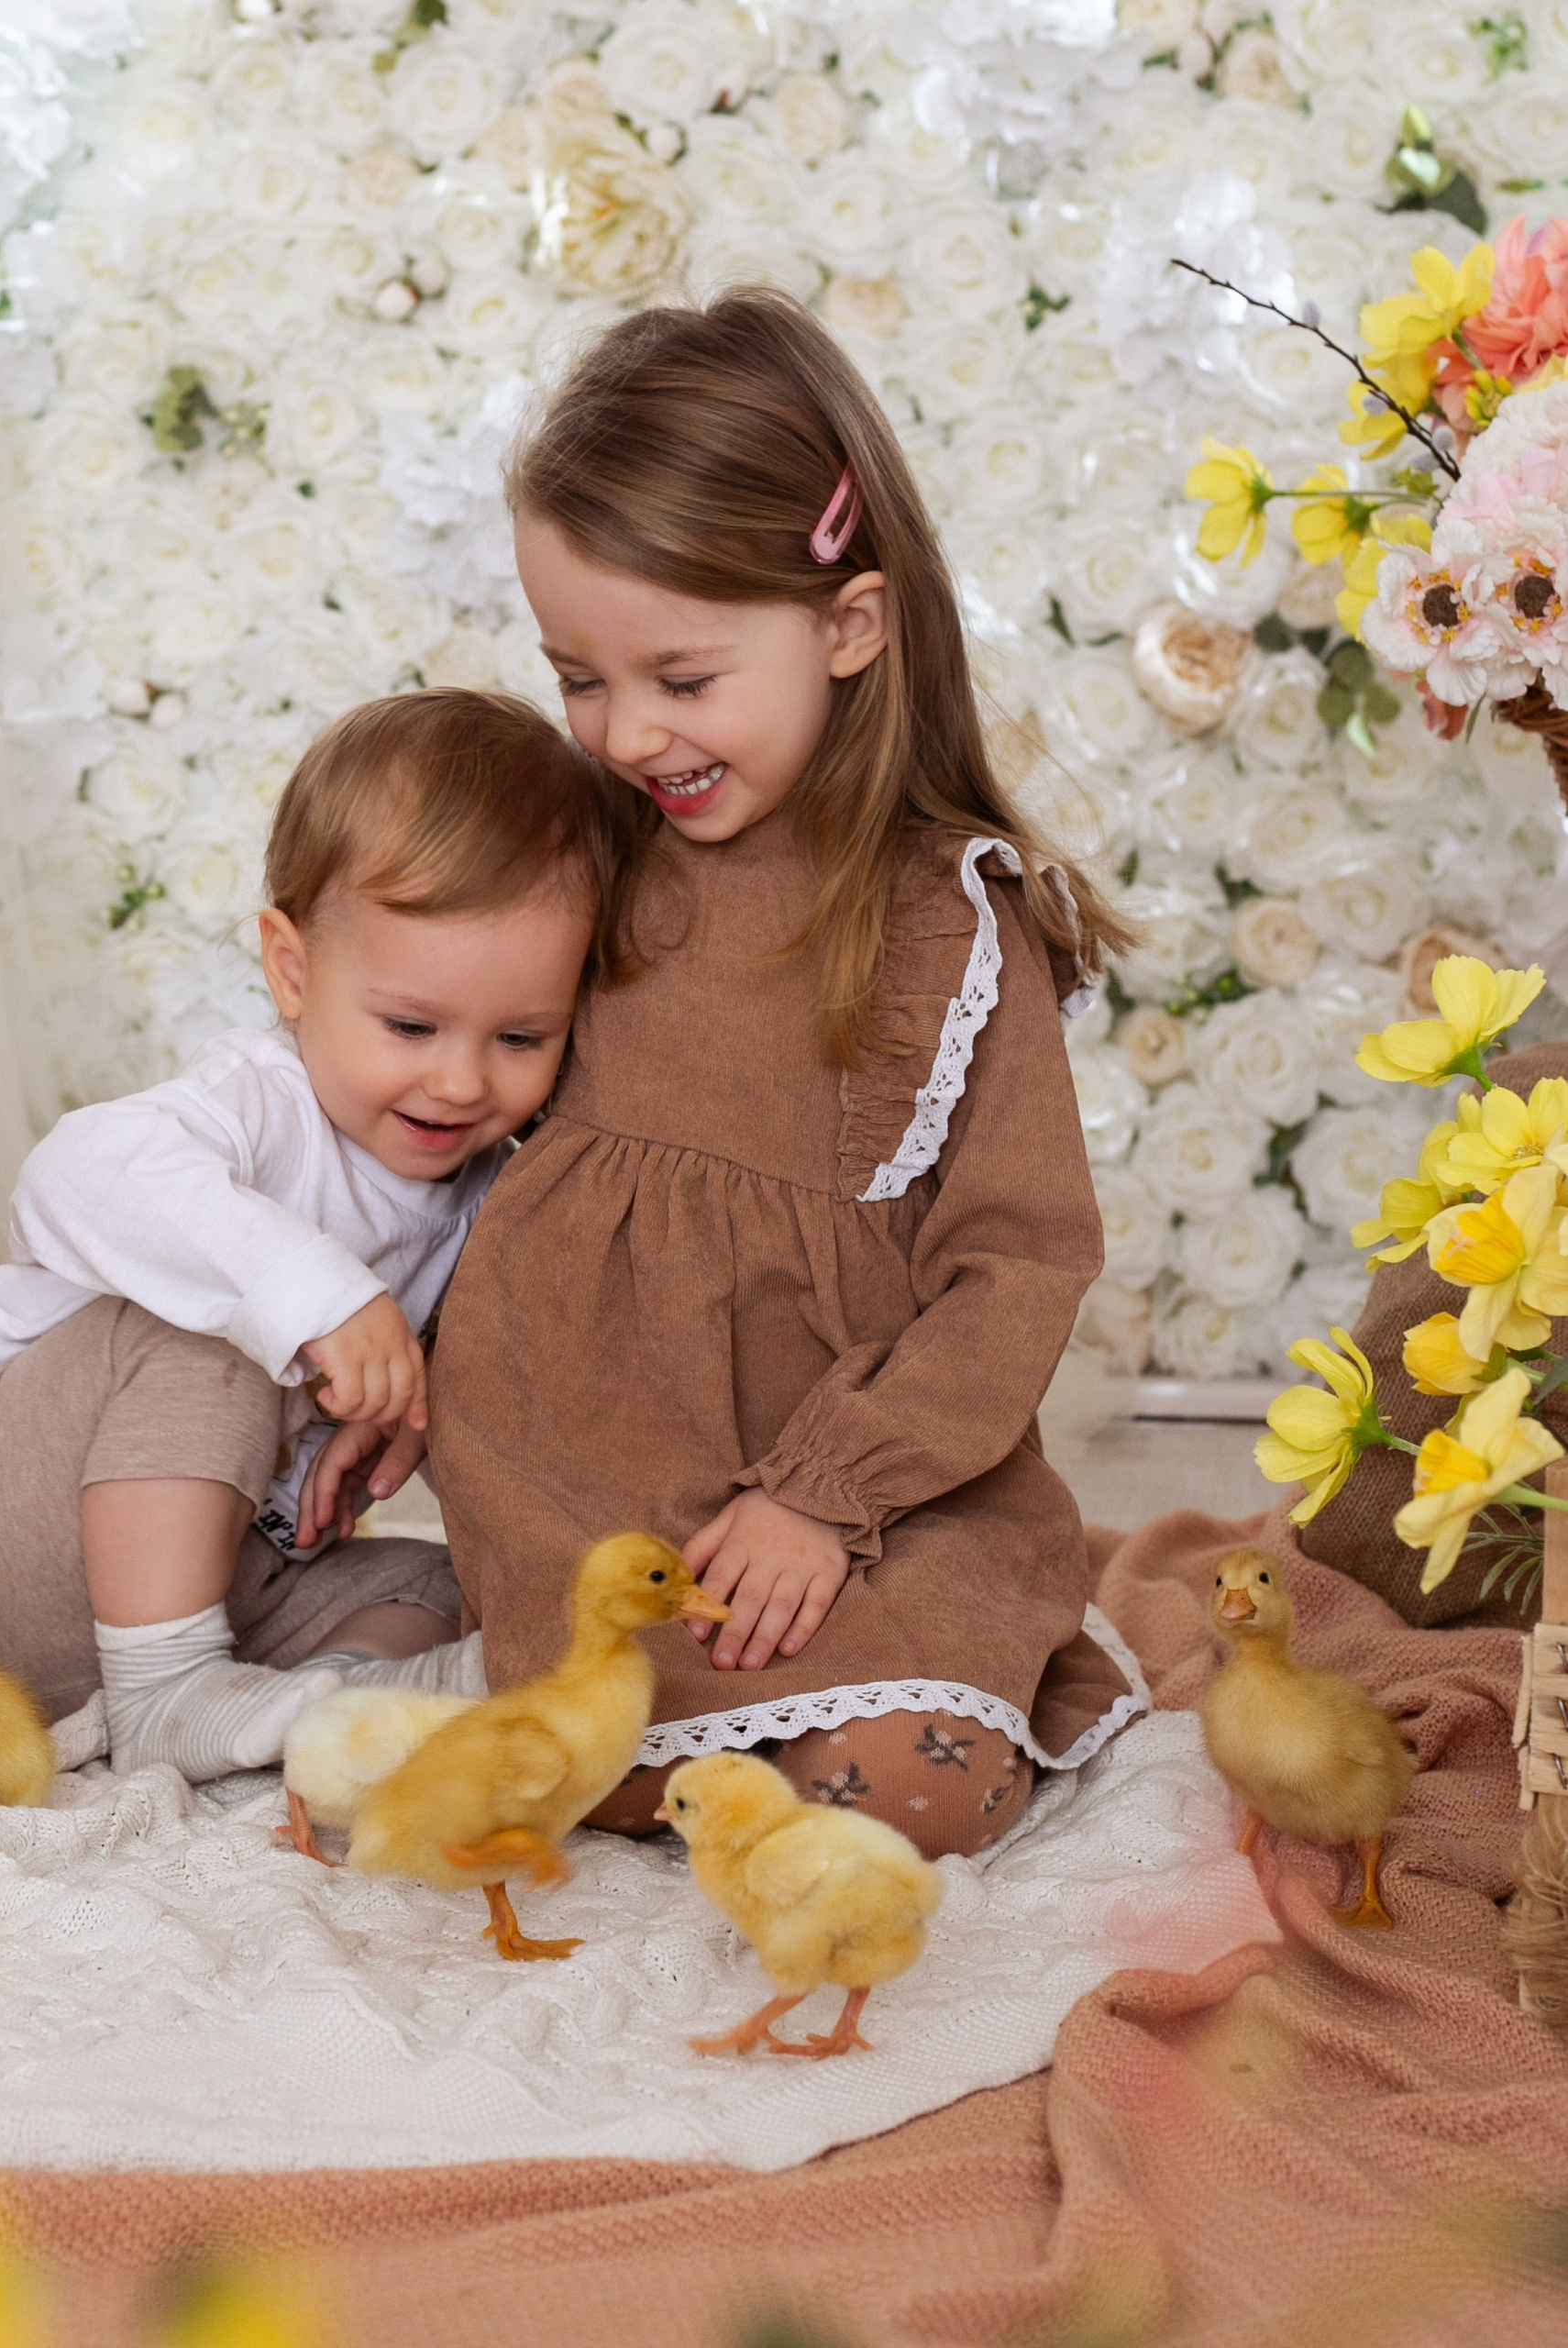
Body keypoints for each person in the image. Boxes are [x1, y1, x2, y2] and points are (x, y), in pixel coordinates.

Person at [427, 290, 1144, 1860]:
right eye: (577, 678)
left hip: (870, 1503)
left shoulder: (945, 924)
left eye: (680, 680)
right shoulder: (576, 853)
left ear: (846, 627)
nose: (626, 735)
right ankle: (586, 1734)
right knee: (567, 1730)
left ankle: (732, 1733)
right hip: (584, 1477)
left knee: (918, 1787)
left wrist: (828, 1492)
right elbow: (439, 1091)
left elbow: (1016, 1265)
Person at [0, 688, 641, 1781]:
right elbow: (71, 1176)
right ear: (293, 971)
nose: (459, 1081)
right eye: (411, 1025)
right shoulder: (258, 1104)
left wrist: (426, 1395)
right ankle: (167, 1692)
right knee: (203, 1327)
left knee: (448, 1588)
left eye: (521, 1038)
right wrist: (319, 1293)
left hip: (224, 1582)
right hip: (10, 1535)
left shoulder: (498, 1191)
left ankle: (332, 1706)